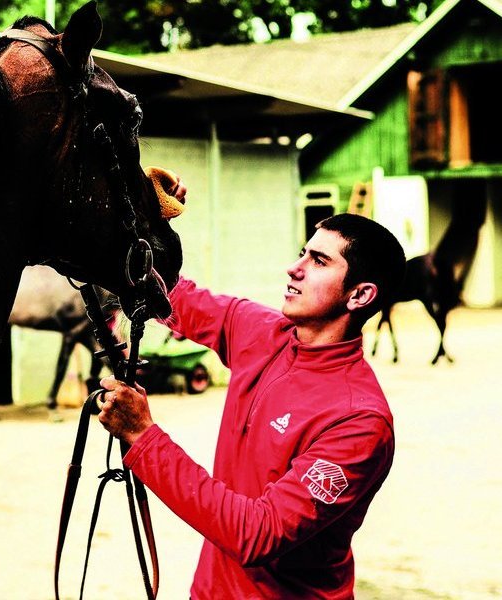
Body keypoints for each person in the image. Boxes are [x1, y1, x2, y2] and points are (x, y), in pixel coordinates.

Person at [98, 212, 406, 599]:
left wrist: (143, 437)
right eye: (302, 253)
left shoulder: (359, 421)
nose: (294, 268)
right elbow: (166, 293)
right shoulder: (262, 332)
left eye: (319, 261)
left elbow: (256, 535)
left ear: (360, 295)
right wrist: (145, 215)